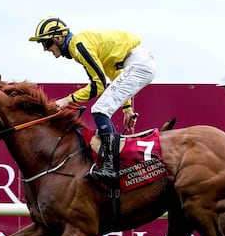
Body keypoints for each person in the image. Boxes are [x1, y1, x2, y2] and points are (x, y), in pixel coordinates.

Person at [29, 16, 156, 185]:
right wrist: (127, 109)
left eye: (46, 43)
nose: (45, 49)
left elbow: (99, 86)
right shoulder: (80, 45)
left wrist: (67, 100)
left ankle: (110, 167)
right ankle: (111, 164)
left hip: (138, 63)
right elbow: (114, 74)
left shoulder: (78, 46)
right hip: (136, 62)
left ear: (58, 38)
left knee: (100, 109)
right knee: (102, 108)